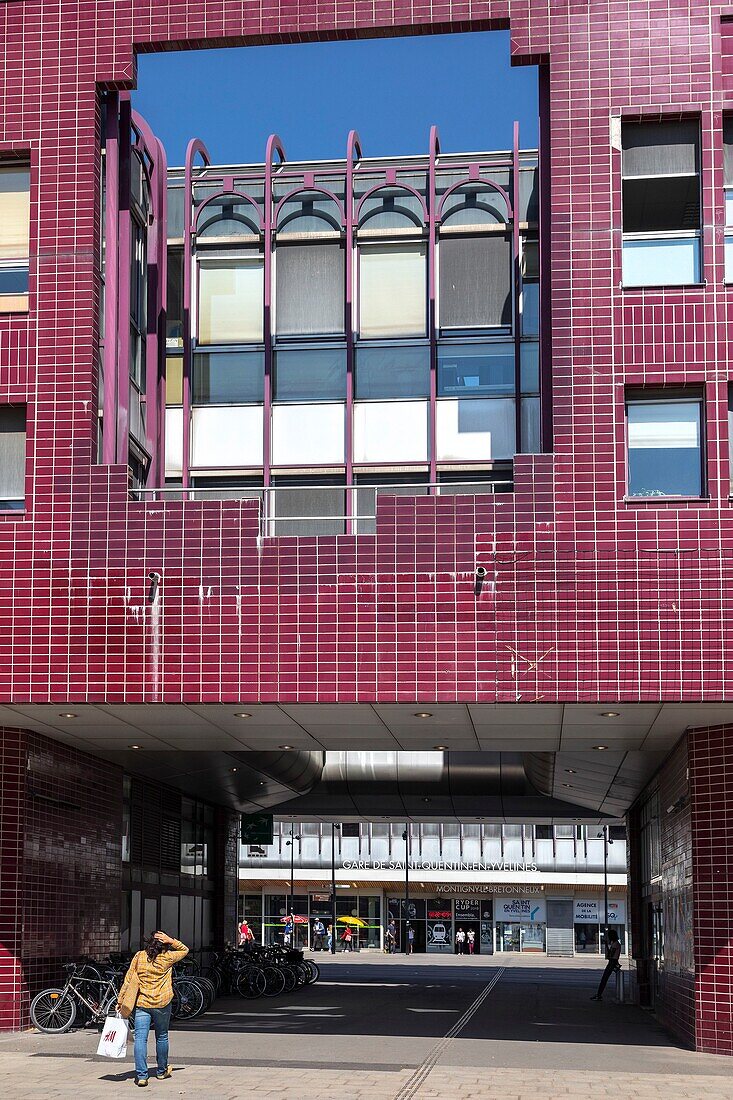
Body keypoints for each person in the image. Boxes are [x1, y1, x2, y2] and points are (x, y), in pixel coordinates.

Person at [117, 930, 188, 1088]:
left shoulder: (140, 956)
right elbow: (184, 950)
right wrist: (171, 940)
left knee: (141, 1039)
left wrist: (121, 999)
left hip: (143, 1003)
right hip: (162, 1003)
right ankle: (161, 1071)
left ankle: (142, 1076)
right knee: (162, 1036)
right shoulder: (167, 957)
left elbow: (128, 979)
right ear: (164, 944)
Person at [591, 928, 622, 1002]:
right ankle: (598, 994)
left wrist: (606, 946)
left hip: (612, 962)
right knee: (604, 979)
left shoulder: (615, 944)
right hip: (613, 961)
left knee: (604, 979)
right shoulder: (615, 943)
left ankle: (599, 995)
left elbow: (610, 955)